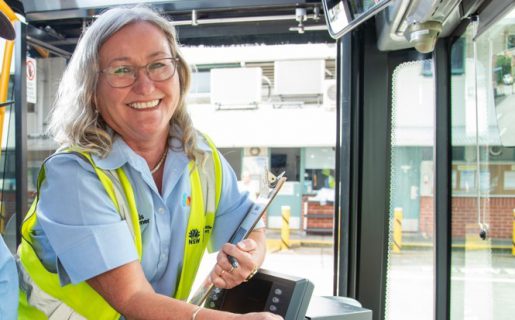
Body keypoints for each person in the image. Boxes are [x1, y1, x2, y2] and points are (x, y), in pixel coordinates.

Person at [17, 5, 282, 320]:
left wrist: (250, 257)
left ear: (179, 76)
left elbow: (249, 228)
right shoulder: (73, 176)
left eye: (158, 65)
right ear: (92, 91)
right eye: (121, 70)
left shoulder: (201, 155)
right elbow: (132, 297)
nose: (144, 86)